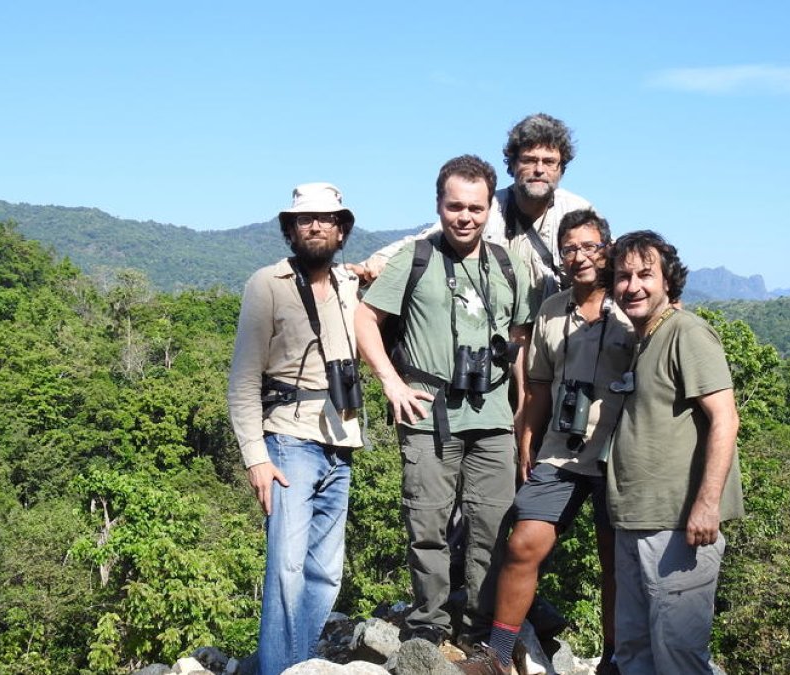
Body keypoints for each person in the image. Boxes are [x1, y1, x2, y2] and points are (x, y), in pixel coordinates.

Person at [353, 155, 538, 648]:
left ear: (488, 210)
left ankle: (480, 628)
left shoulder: (508, 264)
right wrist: (391, 383)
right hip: (427, 410)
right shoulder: (414, 258)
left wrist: (522, 408)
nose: (465, 217)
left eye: (476, 208)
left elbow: (519, 336)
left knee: (492, 528)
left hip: (493, 414)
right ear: (438, 204)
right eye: (455, 206)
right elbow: (364, 320)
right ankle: (428, 625)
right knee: (427, 523)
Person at [455, 209, 633, 675]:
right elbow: (537, 383)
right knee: (522, 544)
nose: (580, 257)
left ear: (608, 248)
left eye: (590, 246)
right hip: (562, 450)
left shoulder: (630, 305)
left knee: (614, 562)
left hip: (620, 452)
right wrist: (527, 435)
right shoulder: (553, 309)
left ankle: (613, 657)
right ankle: (497, 653)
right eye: (570, 248)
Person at [227, 183, 365, 675]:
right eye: (304, 219)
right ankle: (278, 669)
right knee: (286, 569)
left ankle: (299, 664)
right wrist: (255, 456)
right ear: (290, 229)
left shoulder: (351, 285)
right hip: (288, 440)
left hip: (341, 440)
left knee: (325, 573)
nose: (316, 226)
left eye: (327, 218)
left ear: (342, 229)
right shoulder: (268, 283)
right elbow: (243, 377)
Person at [606, 230, 744, 674]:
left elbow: (725, 418)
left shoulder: (687, 331)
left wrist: (706, 505)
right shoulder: (644, 338)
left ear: (668, 281)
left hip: (679, 526)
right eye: (623, 276)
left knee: (679, 657)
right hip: (634, 521)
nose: (633, 285)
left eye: (646, 274)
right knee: (633, 650)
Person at [357, 113, 592, 305]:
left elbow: (607, 262)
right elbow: (427, 239)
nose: (539, 169)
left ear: (561, 168)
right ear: (512, 164)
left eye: (549, 161)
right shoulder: (487, 208)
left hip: (555, 338)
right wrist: (376, 262)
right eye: (529, 160)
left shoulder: (579, 213)